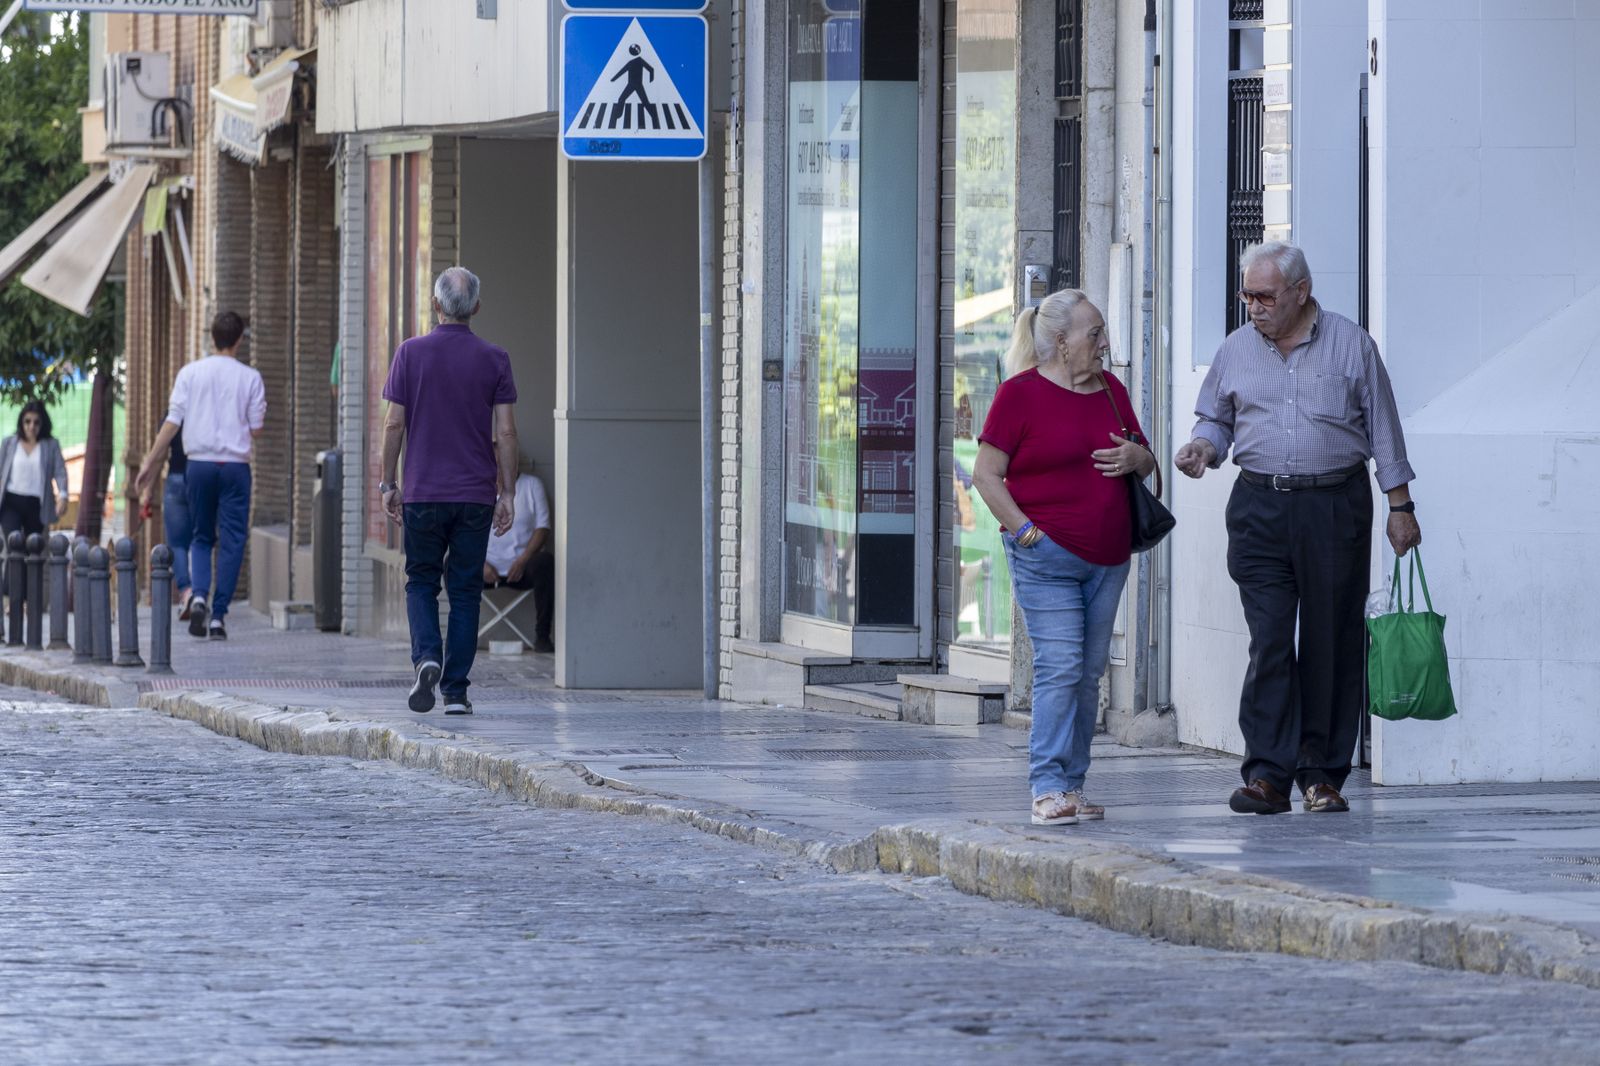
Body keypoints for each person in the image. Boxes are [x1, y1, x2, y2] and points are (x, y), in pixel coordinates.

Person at [1175, 241, 1421, 816]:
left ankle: (1321, 775)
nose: (1253, 307)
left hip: (1334, 506)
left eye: (1264, 296)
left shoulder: (1351, 344)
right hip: (1259, 507)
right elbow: (1216, 417)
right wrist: (1203, 448)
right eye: (1246, 295)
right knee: (1270, 640)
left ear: (1301, 292)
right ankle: (1266, 775)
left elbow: (1383, 427)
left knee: (1332, 641)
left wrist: (1400, 505)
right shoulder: (1236, 349)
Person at [972, 289, 1155, 827]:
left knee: (1088, 674)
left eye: (1102, 331)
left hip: (1109, 558)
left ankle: (1073, 785)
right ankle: (1047, 786)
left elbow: (1147, 465)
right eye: (1093, 333)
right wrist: (1026, 532)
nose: (1103, 343)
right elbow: (986, 475)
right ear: (1060, 342)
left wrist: (1136, 456)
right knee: (1062, 666)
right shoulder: (1019, 395)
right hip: (1045, 557)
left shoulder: (1112, 392)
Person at [380, 267, 518, 716]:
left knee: (420, 582)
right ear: (476, 307)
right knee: (464, 593)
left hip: (422, 494)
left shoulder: (409, 353)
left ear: (435, 304)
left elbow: (394, 423)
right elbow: (507, 433)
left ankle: (427, 658)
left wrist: (388, 483)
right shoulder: (495, 359)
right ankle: (456, 692)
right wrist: (508, 493)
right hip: (475, 496)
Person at [134, 310, 267, 641]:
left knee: (200, 536)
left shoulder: (189, 374)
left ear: (212, 337)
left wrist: (150, 463)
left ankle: (197, 596)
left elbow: (172, 422)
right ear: (239, 340)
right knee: (233, 540)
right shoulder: (251, 377)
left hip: (199, 465)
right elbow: (256, 428)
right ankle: (219, 615)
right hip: (235, 467)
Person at [482, 465, 554, 654]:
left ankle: (543, 636)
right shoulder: (477, 486)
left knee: (545, 563)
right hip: (485, 570)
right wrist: (480, 564)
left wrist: (523, 560)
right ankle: (460, 638)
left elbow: (543, 528)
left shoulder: (532, 484)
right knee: (452, 564)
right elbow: (461, 533)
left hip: (523, 568)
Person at [139, 427, 194, 615]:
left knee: (177, 544)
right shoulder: (210, 404)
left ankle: (186, 592)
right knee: (200, 541)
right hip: (202, 479)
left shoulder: (175, 412)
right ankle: (199, 594)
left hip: (176, 479)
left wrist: (148, 489)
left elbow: (160, 452)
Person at [0, 401, 70, 544]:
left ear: (42, 424)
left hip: (37, 503)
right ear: (21, 422)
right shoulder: (9, 443)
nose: (31, 426)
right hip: (11, 502)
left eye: (36, 422)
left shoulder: (51, 445)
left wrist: (63, 495)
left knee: (34, 547)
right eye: (27, 421)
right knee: (12, 543)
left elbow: (60, 471)